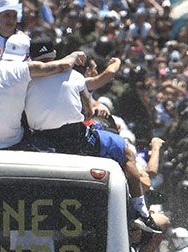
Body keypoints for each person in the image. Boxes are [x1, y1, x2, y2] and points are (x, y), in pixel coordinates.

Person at [23, 36, 159, 231]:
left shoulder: (22, 80)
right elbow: (87, 111)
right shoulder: (74, 76)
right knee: (127, 151)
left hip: (41, 142)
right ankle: (141, 212)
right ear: (54, 55)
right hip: (77, 140)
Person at [0, 32, 85, 150]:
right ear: (28, 55)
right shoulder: (24, 69)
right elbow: (63, 66)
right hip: (11, 142)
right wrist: (74, 55)